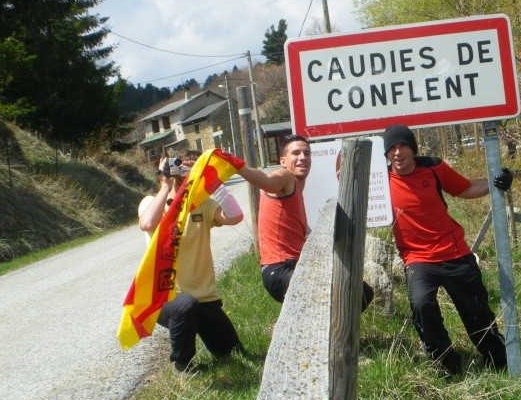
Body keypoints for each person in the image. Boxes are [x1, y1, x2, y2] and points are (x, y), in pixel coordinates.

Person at [382, 124, 514, 376]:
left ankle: (501, 361)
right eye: (392, 148)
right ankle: (447, 365)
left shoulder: (433, 168)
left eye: (403, 146)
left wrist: (497, 182)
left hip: (454, 252)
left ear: (413, 149)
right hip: (417, 258)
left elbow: (465, 189)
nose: (398, 153)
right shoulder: (381, 180)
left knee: (477, 313)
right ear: (387, 154)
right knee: (421, 305)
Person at [138, 149, 245, 374]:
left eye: (185, 166)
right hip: (164, 298)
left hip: (205, 299)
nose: (180, 171)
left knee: (233, 352)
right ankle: (182, 364)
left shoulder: (202, 204)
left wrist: (213, 181)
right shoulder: (152, 201)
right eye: (175, 165)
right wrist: (165, 185)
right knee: (185, 306)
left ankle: (202, 336)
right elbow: (147, 223)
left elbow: (235, 217)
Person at [237, 134, 374, 308]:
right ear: (283, 161)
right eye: (296, 153)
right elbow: (267, 181)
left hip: (293, 267)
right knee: (350, 292)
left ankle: (328, 334)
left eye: (307, 153)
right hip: (280, 271)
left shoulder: (295, 189)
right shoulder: (285, 177)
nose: (303, 157)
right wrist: (237, 166)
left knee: (361, 292)